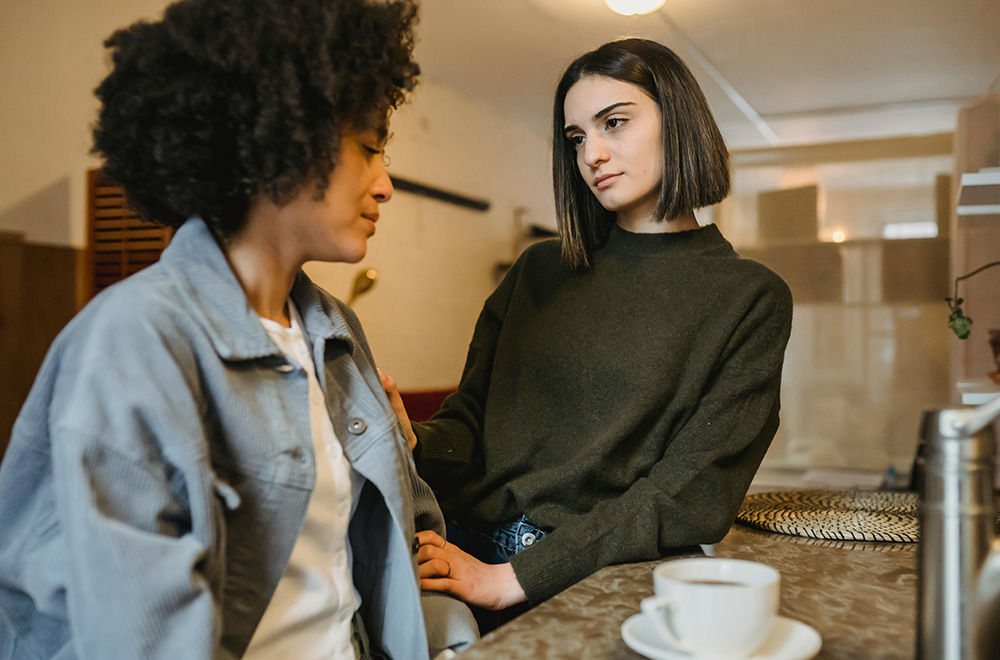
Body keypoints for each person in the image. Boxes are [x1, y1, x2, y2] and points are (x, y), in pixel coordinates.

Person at [0, 0, 477, 658]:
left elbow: (405, 539)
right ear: (280, 141)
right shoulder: (134, 339)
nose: (385, 184)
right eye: (369, 148)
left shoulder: (336, 332)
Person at [383, 38, 794, 625]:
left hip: (590, 577)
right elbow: (472, 425)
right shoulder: (538, 270)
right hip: (454, 547)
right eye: (576, 138)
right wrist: (414, 441)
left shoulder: (749, 298)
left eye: (614, 123)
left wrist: (513, 579)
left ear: (678, 120)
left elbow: (690, 496)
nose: (592, 154)